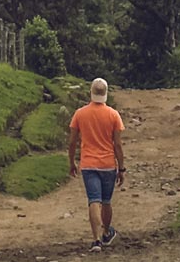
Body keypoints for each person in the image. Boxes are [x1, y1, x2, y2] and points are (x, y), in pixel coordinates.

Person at [68, 77, 126, 252]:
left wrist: (71, 162)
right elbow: (117, 144)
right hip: (108, 164)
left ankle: (96, 240)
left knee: (94, 200)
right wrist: (121, 168)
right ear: (106, 94)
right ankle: (107, 232)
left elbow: (72, 142)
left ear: (91, 93)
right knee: (106, 201)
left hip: (88, 164)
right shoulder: (113, 115)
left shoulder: (80, 114)